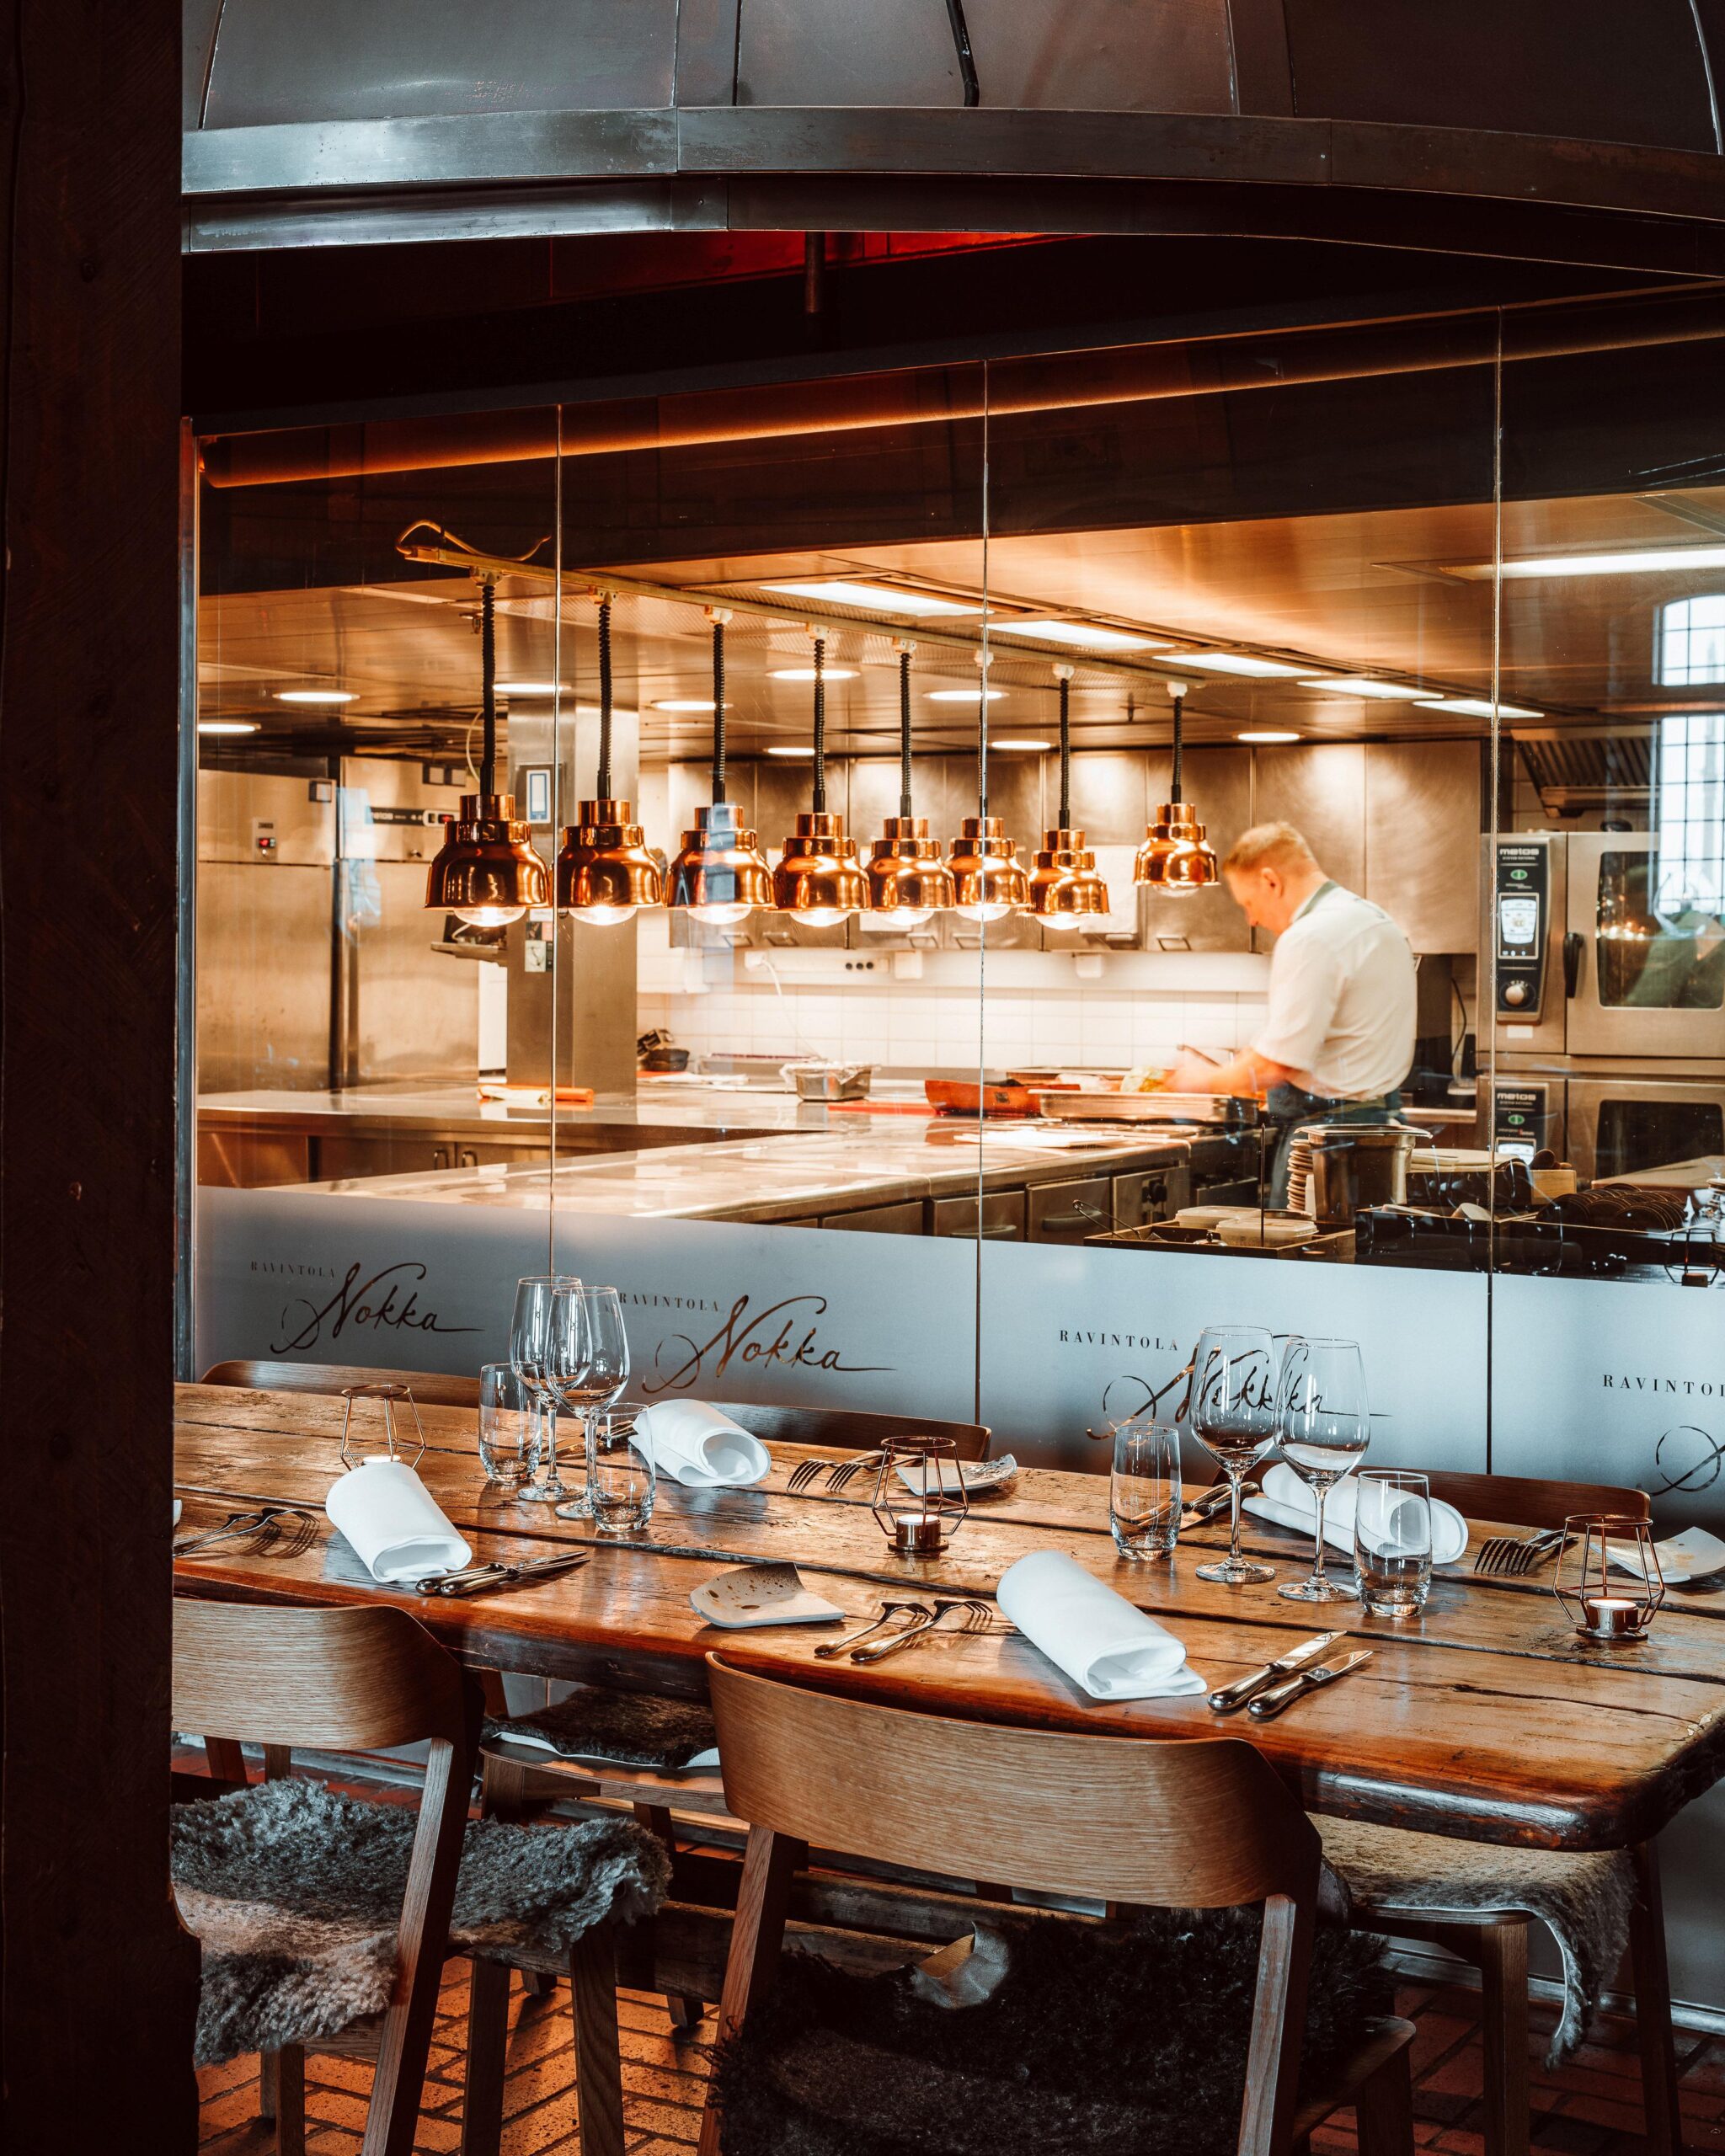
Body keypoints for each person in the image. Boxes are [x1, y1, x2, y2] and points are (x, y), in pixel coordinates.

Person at [1162, 823, 1417, 1206]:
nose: (1252, 919)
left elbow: (1274, 1066)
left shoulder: (1310, 936)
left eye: (1248, 903)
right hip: (1375, 1129)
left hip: (1330, 1140)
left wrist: (1195, 1082)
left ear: (1270, 881)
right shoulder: (1371, 920)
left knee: (1303, 1260)